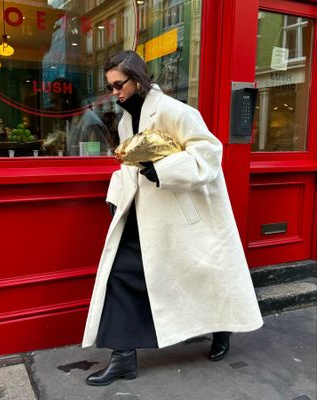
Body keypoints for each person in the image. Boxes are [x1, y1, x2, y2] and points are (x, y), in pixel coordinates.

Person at [82, 50, 263, 386]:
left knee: (203, 275)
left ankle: (223, 328)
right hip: (141, 212)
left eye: (119, 84)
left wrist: (162, 169)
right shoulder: (125, 121)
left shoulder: (176, 111)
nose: (115, 92)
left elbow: (209, 155)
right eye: (110, 87)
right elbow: (128, 165)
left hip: (180, 214)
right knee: (120, 275)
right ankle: (123, 358)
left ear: (137, 79)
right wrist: (115, 195)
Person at [48, 78, 111, 156]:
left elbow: (97, 159)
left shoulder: (89, 124)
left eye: (55, 101)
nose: (54, 106)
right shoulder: (72, 120)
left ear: (67, 99)